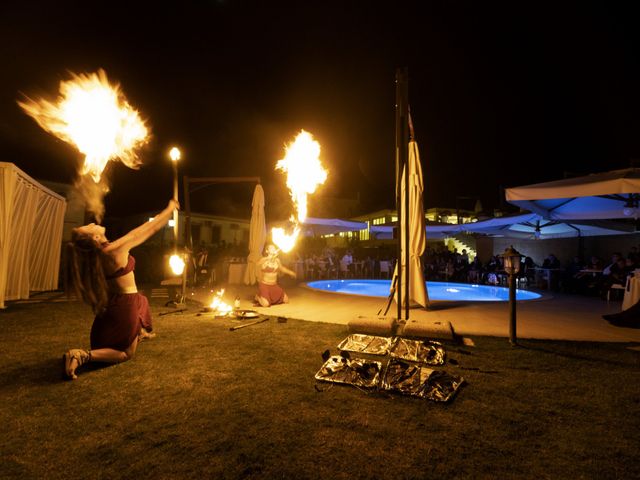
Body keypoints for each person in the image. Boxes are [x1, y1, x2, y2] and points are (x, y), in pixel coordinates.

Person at [62, 199, 180, 380]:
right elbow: (150, 229)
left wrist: (161, 215)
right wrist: (169, 209)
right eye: (89, 226)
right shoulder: (113, 250)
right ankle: (82, 355)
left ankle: (138, 333)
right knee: (126, 353)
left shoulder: (99, 254)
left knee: (142, 300)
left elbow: (147, 227)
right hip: (123, 306)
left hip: (114, 304)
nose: (93, 223)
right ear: (95, 238)